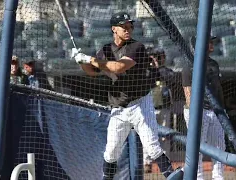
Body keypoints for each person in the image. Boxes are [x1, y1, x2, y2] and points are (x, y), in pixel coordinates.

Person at [71, 12, 177, 179]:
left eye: (130, 26)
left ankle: (171, 176)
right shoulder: (105, 50)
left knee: (152, 147)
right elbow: (92, 71)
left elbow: (118, 67)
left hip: (140, 103)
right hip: (118, 108)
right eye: (124, 26)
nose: (128, 29)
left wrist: (89, 58)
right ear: (114, 29)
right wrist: (80, 61)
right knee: (111, 152)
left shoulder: (136, 47)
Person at [181, 36, 225, 180]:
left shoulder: (214, 64)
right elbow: (188, 91)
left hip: (216, 111)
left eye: (212, 41)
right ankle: (197, 176)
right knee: (196, 147)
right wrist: (194, 114)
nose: (212, 44)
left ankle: (218, 176)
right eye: (209, 42)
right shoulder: (190, 64)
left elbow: (218, 89)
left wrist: (222, 110)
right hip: (198, 111)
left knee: (219, 146)